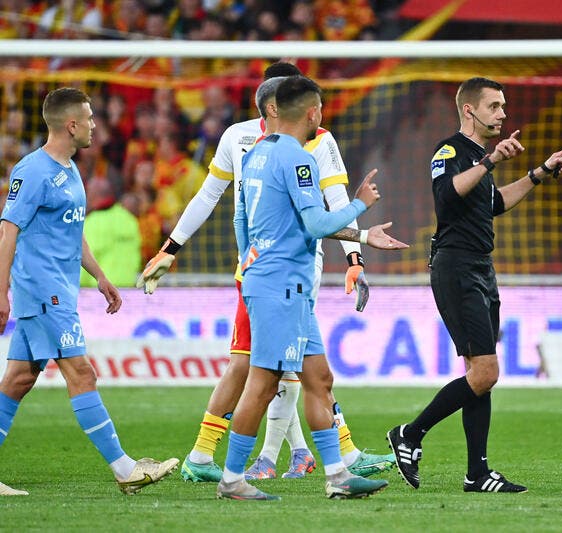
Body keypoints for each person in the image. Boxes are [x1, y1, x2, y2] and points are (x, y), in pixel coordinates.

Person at [136, 62, 401, 483]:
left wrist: (350, 259)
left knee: (297, 369)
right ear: (287, 105)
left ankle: (326, 461)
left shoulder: (260, 147)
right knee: (265, 371)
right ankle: (249, 464)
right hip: (280, 273)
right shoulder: (274, 145)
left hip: (269, 268)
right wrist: (361, 237)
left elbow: (244, 211)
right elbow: (322, 210)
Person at [387, 77, 562, 493]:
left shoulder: (475, 157)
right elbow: (446, 196)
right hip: (456, 267)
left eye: (503, 106)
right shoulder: (451, 151)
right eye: (494, 106)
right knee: (486, 371)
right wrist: (490, 162)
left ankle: (477, 473)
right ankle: (410, 434)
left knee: (480, 372)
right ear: (470, 110)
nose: (503, 114)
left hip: (480, 267)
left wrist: (539, 173)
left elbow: (493, 204)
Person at [218, 75, 397, 500]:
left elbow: (240, 217)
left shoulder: (256, 154)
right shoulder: (300, 160)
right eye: (321, 108)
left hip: (275, 281)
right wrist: (360, 207)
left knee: (319, 378)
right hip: (281, 285)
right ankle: (230, 479)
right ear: (312, 113)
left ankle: (337, 477)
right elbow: (316, 223)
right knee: (261, 384)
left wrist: (249, 257)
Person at [0, 87, 178, 497]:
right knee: (81, 373)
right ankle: (125, 468)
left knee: (18, 379)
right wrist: (2, 290)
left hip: (60, 288)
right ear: (71, 124)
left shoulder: (71, 170)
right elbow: (8, 231)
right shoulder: (32, 171)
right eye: (91, 118)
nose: (97, 125)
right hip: (43, 291)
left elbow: (72, 232)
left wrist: (99, 276)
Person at [80, 177, 142, 288]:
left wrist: (79, 287)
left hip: (100, 291)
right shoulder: (128, 219)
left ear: (92, 195)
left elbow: (84, 259)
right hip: (128, 287)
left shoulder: (92, 223)